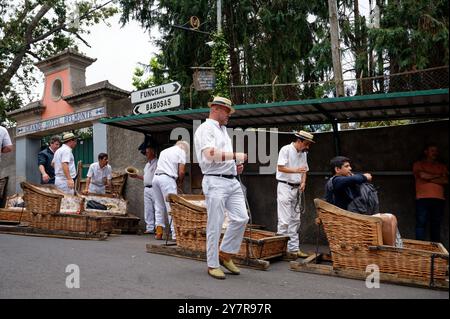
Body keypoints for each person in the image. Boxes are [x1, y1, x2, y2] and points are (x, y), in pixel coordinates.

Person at [194, 96, 249, 280]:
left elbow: (222, 157)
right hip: (215, 181)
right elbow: (210, 155)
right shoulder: (205, 128)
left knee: (242, 218)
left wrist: (235, 165)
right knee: (215, 224)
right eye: (227, 111)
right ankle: (212, 264)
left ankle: (225, 254)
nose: (229, 115)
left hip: (231, 180)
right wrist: (235, 155)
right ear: (216, 109)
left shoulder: (223, 130)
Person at [324, 156, 399, 246]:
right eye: (346, 166)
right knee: (388, 218)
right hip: (346, 221)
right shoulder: (335, 181)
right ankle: (391, 250)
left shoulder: (347, 182)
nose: (350, 168)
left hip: (357, 218)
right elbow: (355, 179)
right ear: (337, 169)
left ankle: (391, 248)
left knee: (391, 218)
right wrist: (364, 176)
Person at [276, 130, 314, 258]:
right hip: (284, 186)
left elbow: (305, 170)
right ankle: (280, 249)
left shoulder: (303, 154)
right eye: (306, 144)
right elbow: (280, 167)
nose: (307, 147)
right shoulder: (286, 149)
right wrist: (295, 170)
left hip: (296, 188)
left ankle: (293, 249)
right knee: (284, 220)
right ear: (299, 141)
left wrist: (303, 182)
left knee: (295, 220)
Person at [152, 140, 189, 240]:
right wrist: (180, 182)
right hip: (167, 179)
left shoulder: (164, 151)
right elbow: (181, 172)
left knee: (158, 206)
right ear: (184, 148)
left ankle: (159, 232)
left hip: (156, 178)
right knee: (171, 207)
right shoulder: (181, 151)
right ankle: (175, 234)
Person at [413, 144, 448, 242]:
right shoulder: (418, 164)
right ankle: (419, 247)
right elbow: (422, 175)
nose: (435, 153)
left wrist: (429, 178)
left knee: (436, 225)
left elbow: (445, 181)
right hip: (422, 198)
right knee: (421, 223)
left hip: (439, 199)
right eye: (432, 150)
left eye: (436, 151)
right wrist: (438, 176)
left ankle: (436, 249)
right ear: (426, 152)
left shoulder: (442, 166)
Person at [129, 145, 158, 234]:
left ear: (152, 152)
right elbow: (146, 177)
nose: (146, 154)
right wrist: (136, 176)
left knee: (157, 208)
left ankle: (158, 228)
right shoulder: (146, 165)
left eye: (147, 152)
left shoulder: (157, 162)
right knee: (148, 209)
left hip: (154, 188)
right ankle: (150, 228)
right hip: (146, 188)